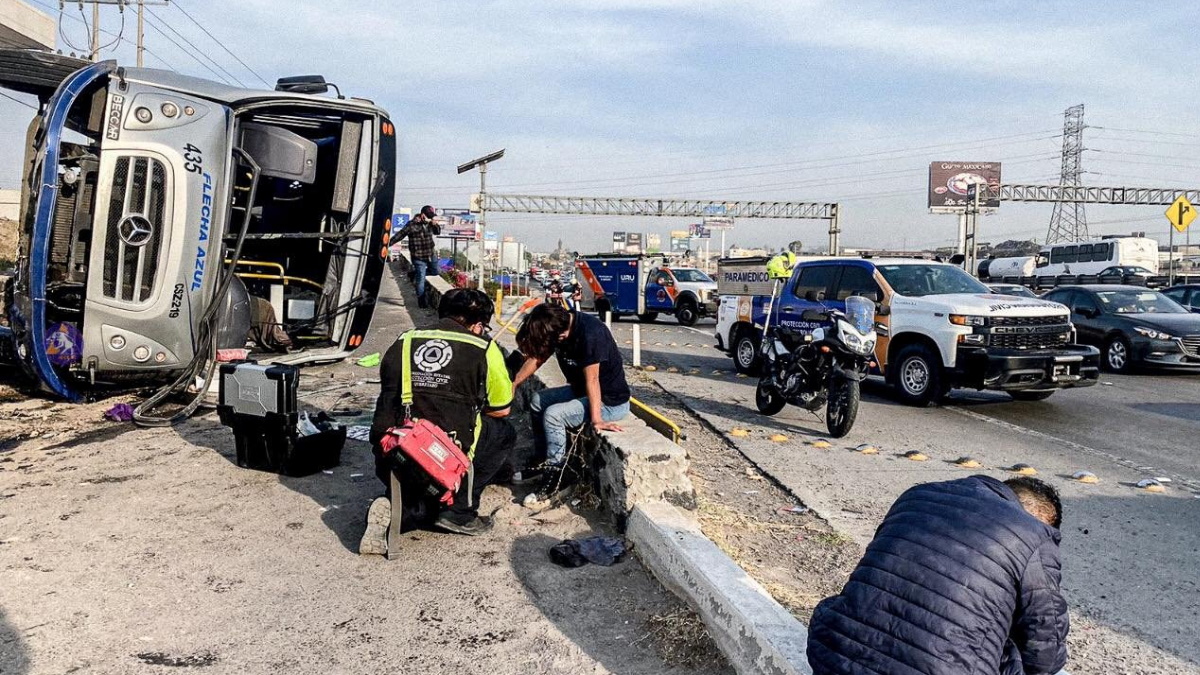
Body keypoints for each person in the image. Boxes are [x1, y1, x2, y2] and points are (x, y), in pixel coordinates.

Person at [806, 475, 1069, 675]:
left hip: (833, 658)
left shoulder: (917, 495)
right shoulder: (1035, 535)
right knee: (1012, 653)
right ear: (1043, 518)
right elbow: (1044, 655)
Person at [362, 289, 514, 550]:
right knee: (503, 432)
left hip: (394, 452)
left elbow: (389, 395)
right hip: (444, 457)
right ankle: (459, 511)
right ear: (478, 324)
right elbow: (501, 408)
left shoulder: (405, 340)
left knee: (413, 489)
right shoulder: (483, 348)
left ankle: (398, 507)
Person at [513, 303, 630, 501]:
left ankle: (554, 478)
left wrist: (597, 420)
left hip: (609, 400)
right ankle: (541, 461)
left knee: (554, 415)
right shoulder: (557, 325)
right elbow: (538, 358)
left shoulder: (591, 333)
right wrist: (515, 382)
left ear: (561, 335)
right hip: (580, 390)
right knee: (537, 401)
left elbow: (593, 380)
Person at [394, 205, 441, 308]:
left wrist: (435, 225)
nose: (429, 218)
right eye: (428, 216)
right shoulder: (411, 225)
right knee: (420, 279)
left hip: (430, 254)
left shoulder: (429, 224)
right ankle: (422, 302)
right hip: (418, 256)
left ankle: (413, 274)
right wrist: (387, 243)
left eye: (431, 216)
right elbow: (400, 235)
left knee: (435, 272)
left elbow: (438, 232)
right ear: (422, 214)